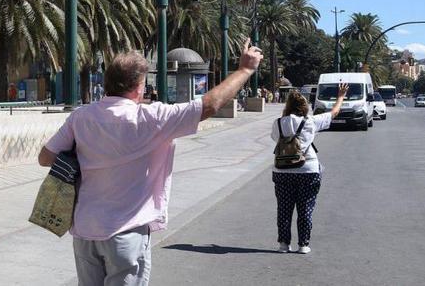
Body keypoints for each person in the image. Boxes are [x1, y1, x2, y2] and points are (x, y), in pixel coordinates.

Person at [39, 40, 264, 285]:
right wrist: (245, 70)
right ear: (138, 87)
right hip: (126, 233)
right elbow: (210, 105)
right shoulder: (153, 117)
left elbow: (46, 157)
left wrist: (88, 155)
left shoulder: (80, 117)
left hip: (84, 232)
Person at [272, 83, 345, 254]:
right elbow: (334, 113)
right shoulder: (310, 122)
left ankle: (284, 244)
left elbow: (276, 140)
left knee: (284, 208)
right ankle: (303, 245)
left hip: (282, 171)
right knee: (305, 208)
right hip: (308, 170)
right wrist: (340, 96)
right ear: (304, 107)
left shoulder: (278, 123)